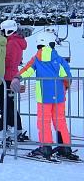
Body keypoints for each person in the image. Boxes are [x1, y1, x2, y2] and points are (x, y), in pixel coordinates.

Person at [13, 32, 78, 161]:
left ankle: (46, 147)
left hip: (44, 97)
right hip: (59, 96)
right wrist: (65, 86)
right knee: (60, 121)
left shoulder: (37, 58)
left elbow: (27, 70)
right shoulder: (58, 59)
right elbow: (67, 76)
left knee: (43, 122)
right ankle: (65, 147)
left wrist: (17, 77)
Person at [0, 19, 29, 141]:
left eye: (2, 31)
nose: (1, 33)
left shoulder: (11, 43)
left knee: (6, 104)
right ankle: (15, 127)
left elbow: (8, 60)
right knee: (9, 104)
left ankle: (13, 127)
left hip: (8, 77)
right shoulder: (17, 41)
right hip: (12, 75)